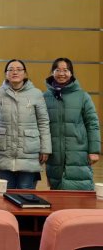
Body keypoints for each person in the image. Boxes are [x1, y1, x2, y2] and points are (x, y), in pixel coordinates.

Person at [0, 59, 51, 189]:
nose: (15, 72)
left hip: (29, 150)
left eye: (19, 69)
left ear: (25, 73)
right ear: (6, 74)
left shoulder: (36, 94)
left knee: (25, 191)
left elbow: (43, 122)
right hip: (4, 150)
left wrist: (45, 149)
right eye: (11, 69)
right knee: (6, 191)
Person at [43, 57, 100, 190]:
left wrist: (94, 150)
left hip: (78, 151)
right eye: (58, 70)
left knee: (80, 188)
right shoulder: (45, 97)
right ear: (52, 72)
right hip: (54, 153)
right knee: (56, 190)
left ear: (71, 73)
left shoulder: (83, 96)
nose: (61, 73)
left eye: (65, 70)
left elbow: (92, 124)